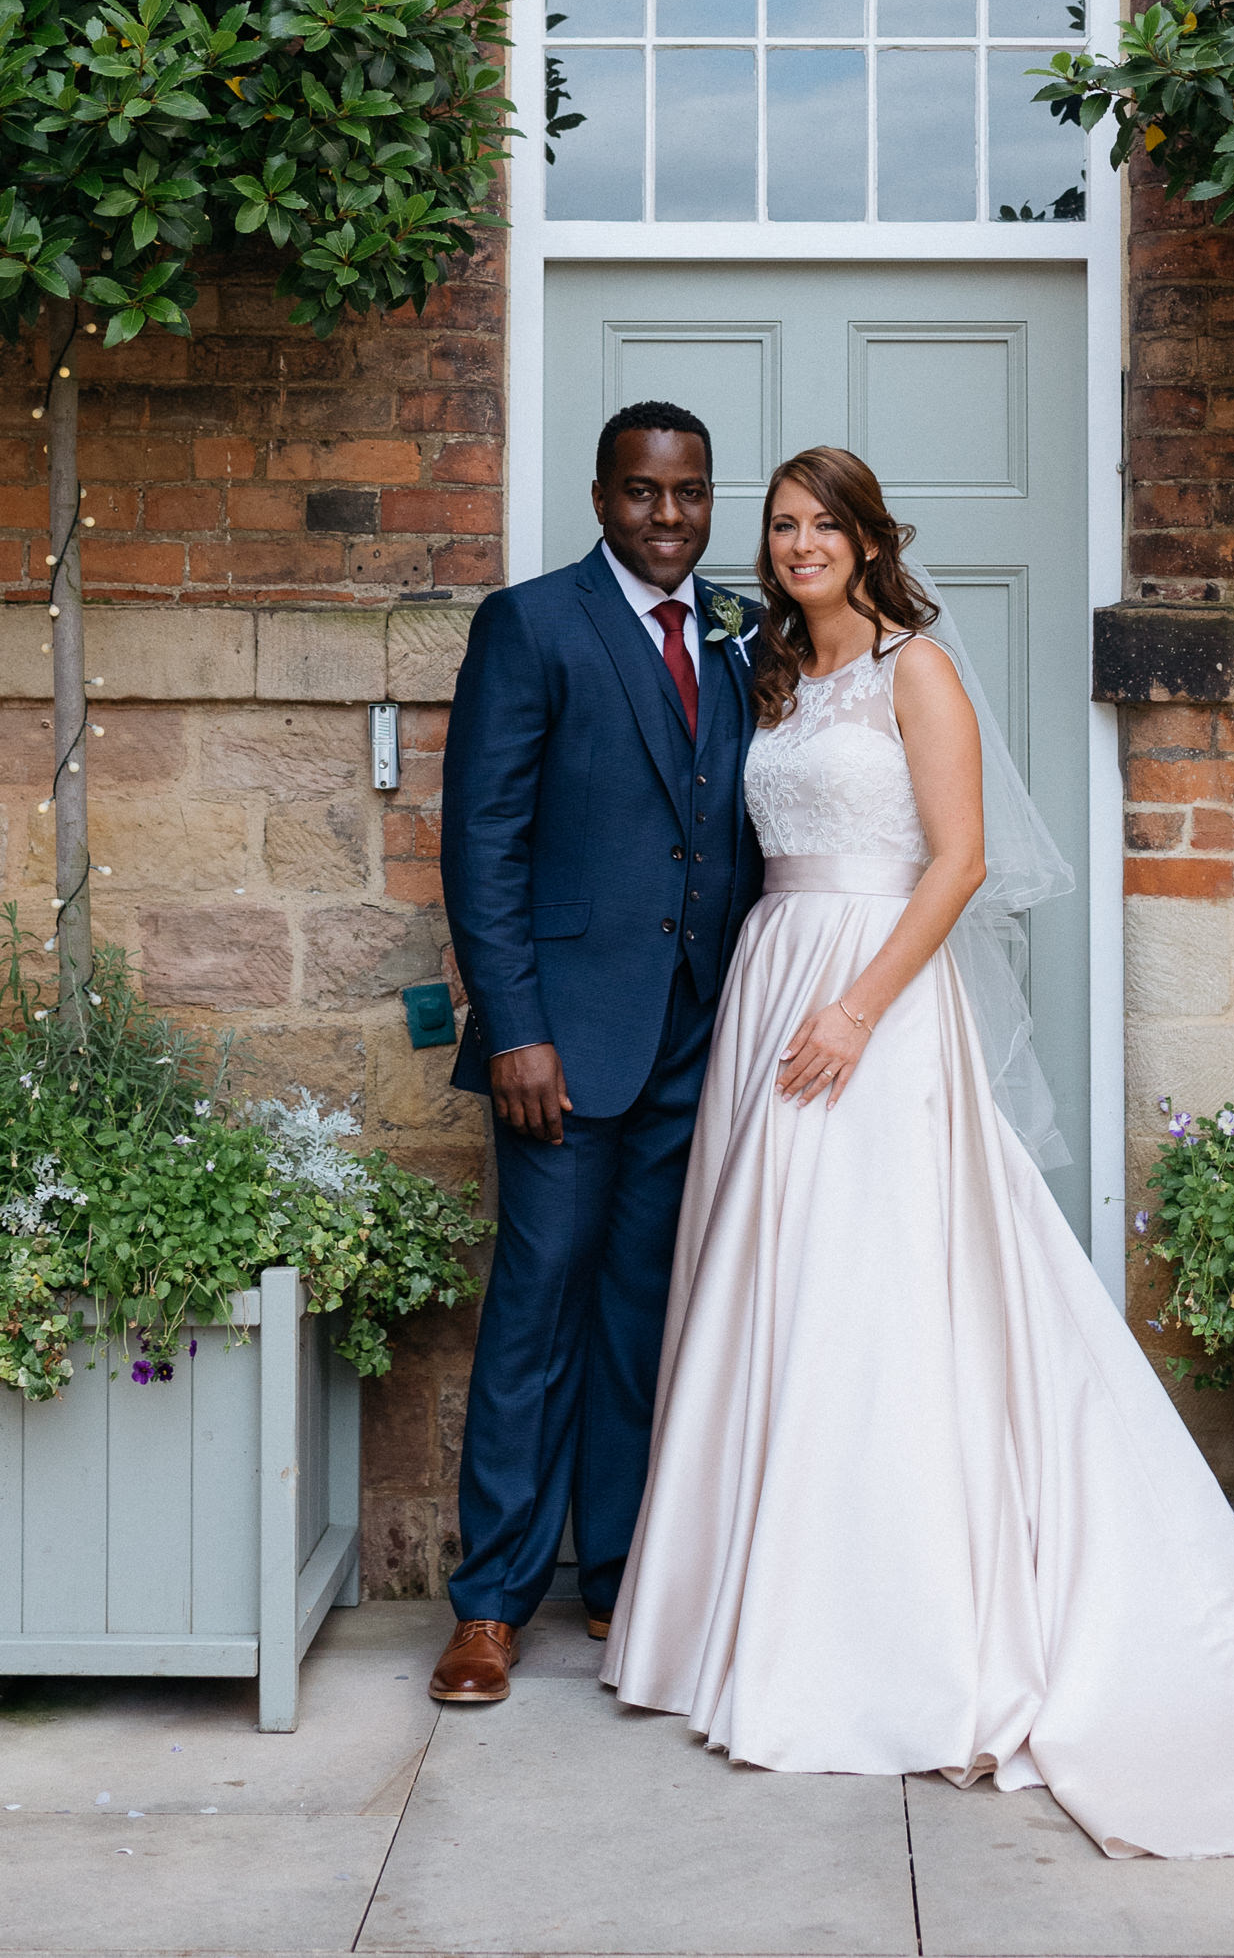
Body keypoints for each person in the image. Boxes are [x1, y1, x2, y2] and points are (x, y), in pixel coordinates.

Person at [602, 445, 1234, 1859]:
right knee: (770, 1289)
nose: (797, 543)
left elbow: (955, 863)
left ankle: (902, 1643)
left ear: (869, 539)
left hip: (868, 999)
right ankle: (753, 1618)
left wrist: (853, 1007)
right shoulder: (770, 675)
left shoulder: (914, 672)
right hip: (775, 970)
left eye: (823, 524)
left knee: (875, 1296)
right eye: (780, 525)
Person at [429, 400, 763, 1706]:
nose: (665, 518)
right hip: (563, 1042)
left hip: (699, 1030)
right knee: (534, 1310)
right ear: (598, 496)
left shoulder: (739, 632)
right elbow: (481, 842)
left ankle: (620, 1577)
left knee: (643, 1318)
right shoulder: (531, 624)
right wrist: (515, 1027)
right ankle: (491, 1603)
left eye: (687, 495)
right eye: (640, 493)